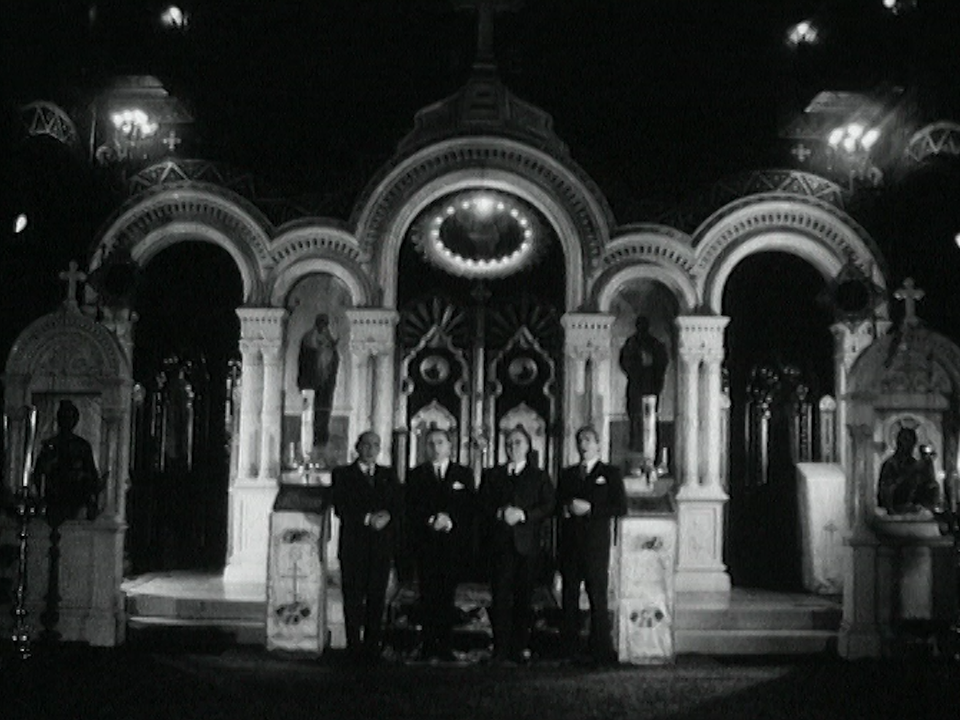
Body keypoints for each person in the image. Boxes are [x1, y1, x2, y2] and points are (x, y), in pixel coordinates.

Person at [480, 426, 555, 664]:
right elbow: (481, 505)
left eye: (518, 443)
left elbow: (548, 506)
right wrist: (500, 512)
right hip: (500, 545)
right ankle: (500, 648)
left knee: (524, 597)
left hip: (528, 544)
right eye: (509, 444)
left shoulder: (539, 476)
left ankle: (520, 647)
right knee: (500, 596)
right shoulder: (492, 475)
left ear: (528, 446)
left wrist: (524, 515)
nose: (513, 448)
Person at [556, 426, 627, 665]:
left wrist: (591, 509)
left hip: (595, 545)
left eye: (587, 440)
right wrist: (566, 509)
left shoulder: (610, 473)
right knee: (569, 596)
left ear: (598, 444)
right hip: (570, 544)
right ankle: (568, 647)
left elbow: (620, 507)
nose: (583, 445)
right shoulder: (567, 474)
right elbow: (556, 504)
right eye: (579, 440)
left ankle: (600, 648)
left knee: (597, 595)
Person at [330, 431, 402, 664]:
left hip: (380, 547)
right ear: (357, 447)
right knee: (353, 598)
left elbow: (398, 504)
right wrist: (367, 518)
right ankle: (353, 646)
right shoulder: (343, 474)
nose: (371, 449)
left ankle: (373, 647)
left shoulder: (388, 475)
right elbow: (341, 506)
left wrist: (388, 515)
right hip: (354, 546)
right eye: (366, 444)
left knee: (376, 598)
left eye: (375, 445)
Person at [405, 427, 476, 661]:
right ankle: (428, 644)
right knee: (427, 593)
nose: (436, 448)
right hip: (426, 543)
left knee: (447, 594)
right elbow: (410, 506)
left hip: (451, 544)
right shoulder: (416, 474)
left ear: (450, 446)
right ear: (425, 447)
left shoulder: (463, 474)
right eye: (431, 443)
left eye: (440, 443)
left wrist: (450, 520)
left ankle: (445, 644)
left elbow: (469, 507)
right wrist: (430, 519)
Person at [33, 400, 102, 525]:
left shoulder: (82, 446)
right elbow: (38, 473)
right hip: (53, 497)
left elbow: (91, 474)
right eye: (63, 417)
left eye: (70, 418)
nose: (66, 421)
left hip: (76, 496)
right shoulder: (50, 445)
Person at [618, 316, 668, 453]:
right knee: (634, 416)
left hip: (651, 386)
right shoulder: (631, 343)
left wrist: (651, 366)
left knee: (651, 417)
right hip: (635, 385)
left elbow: (662, 363)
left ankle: (653, 451)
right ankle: (635, 447)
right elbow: (624, 361)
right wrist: (636, 367)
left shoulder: (655, 344)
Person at [297, 313, 340, 449]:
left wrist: (330, 350)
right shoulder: (309, 338)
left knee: (323, 410)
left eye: (325, 324)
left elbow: (333, 359)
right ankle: (309, 442)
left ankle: (321, 438)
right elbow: (305, 359)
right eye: (322, 323)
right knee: (310, 412)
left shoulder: (328, 339)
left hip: (325, 382)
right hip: (311, 382)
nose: (323, 327)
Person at [877, 428, 941, 514]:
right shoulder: (890, 464)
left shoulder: (915, 463)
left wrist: (928, 467)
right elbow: (886, 491)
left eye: (911, 441)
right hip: (896, 506)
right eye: (905, 440)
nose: (908, 445)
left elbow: (925, 486)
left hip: (914, 508)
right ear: (898, 442)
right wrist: (910, 472)